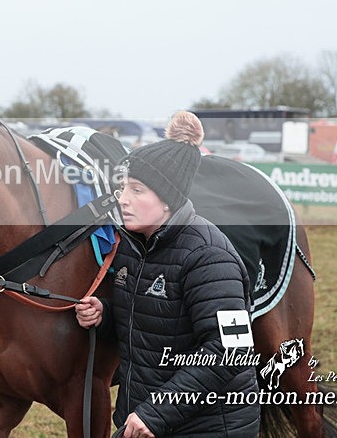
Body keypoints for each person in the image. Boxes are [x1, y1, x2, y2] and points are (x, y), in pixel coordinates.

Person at [75, 111, 259, 438]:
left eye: (137, 190)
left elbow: (232, 349)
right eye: (122, 187)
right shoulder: (133, 247)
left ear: (167, 201)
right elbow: (151, 326)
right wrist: (105, 317)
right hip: (145, 421)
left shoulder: (209, 255)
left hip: (207, 427)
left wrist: (158, 412)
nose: (123, 198)